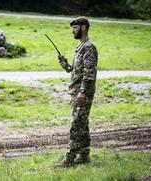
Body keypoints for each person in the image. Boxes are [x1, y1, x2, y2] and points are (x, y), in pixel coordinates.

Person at [58, 17, 98, 167]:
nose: (73, 30)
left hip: (83, 93)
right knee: (83, 124)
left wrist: (82, 92)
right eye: (73, 28)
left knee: (76, 125)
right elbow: (78, 71)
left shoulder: (88, 47)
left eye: (75, 28)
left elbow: (89, 73)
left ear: (84, 28)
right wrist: (67, 66)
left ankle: (69, 158)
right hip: (77, 92)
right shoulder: (81, 46)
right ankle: (84, 155)